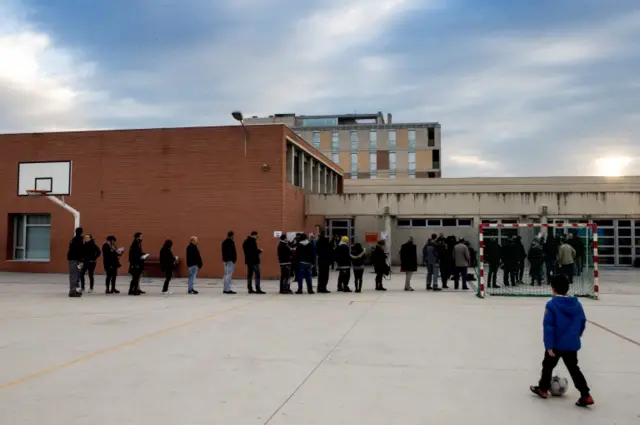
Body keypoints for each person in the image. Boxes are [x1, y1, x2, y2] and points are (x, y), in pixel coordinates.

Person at [529, 275, 594, 407]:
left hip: (556, 345)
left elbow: (549, 327)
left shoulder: (552, 304)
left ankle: (543, 389)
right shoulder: (577, 304)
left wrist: (549, 346)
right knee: (574, 369)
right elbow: (582, 322)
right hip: (571, 344)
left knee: (547, 366)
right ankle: (586, 395)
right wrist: (576, 336)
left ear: (553, 289)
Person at [67, 227, 85, 298]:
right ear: (81, 232)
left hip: (72, 259)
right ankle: (72, 292)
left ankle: (73, 290)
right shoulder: (79, 240)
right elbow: (80, 251)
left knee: (74, 275)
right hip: (76, 260)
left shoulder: (73, 240)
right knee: (74, 275)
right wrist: (82, 260)